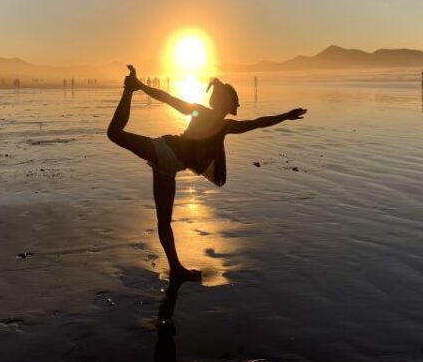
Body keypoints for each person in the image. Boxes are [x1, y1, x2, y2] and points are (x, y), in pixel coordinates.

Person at [107, 65, 307, 280]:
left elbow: (257, 123)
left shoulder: (223, 125)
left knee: (164, 221)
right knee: (114, 133)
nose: (238, 103)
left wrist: (285, 116)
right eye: (235, 100)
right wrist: (140, 86)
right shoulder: (207, 115)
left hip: (167, 167)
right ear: (225, 102)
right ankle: (129, 88)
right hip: (164, 150)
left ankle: (176, 269)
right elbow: (167, 98)